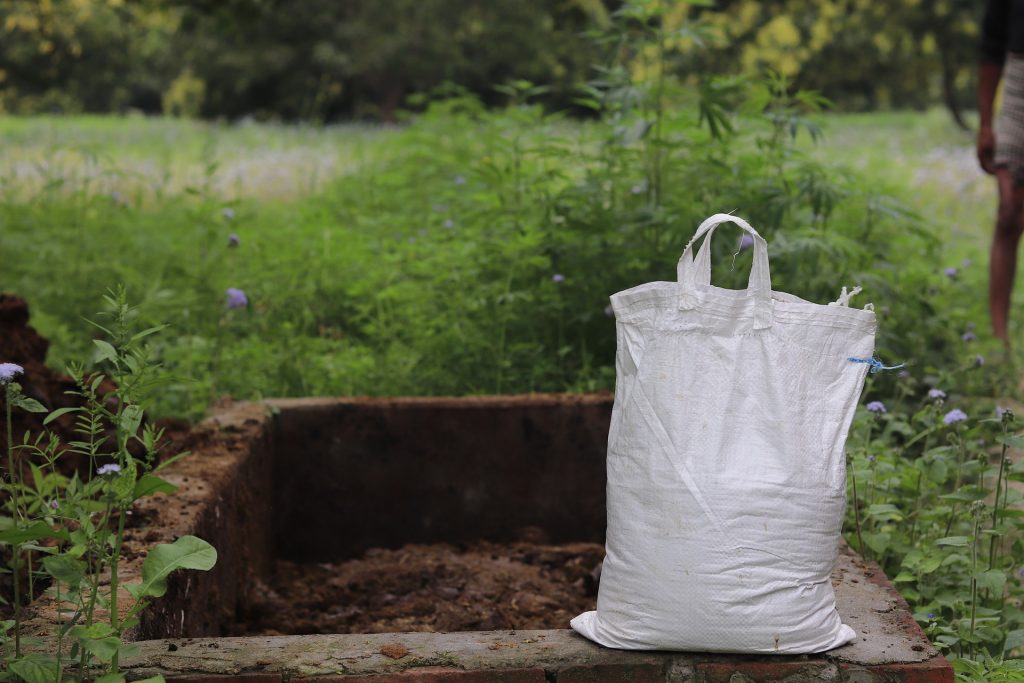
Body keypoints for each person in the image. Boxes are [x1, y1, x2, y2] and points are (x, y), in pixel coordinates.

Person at [978, 0, 1024, 344]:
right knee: (1009, 211)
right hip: (1018, 79)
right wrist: (985, 125)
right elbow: (992, 42)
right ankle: (1000, 344)